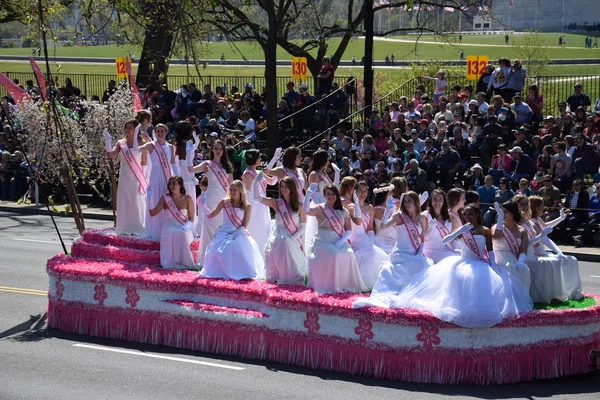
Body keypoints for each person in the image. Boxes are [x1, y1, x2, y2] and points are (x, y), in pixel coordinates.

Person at [382, 204, 531, 328]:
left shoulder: (484, 230)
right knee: (462, 279)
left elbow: (490, 251)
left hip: (480, 263)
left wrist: (493, 266)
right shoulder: (462, 230)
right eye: (465, 215)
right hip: (463, 262)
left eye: (471, 214)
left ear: (477, 215)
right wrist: (459, 231)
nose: (468, 217)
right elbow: (445, 240)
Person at [353, 191, 433, 308]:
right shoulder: (399, 216)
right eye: (405, 201)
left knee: (423, 266)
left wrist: (420, 253)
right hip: (400, 254)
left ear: (416, 202)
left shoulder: (422, 218)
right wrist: (387, 210)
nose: (407, 204)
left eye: (410, 201)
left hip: (415, 254)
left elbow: (422, 238)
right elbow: (383, 226)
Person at [517, 195, 582, 303]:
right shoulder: (521, 223)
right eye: (522, 205)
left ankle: (573, 292)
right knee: (549, 264)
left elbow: (545, 232)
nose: (524, 207)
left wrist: (559, 251)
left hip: (537, 252)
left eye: (526, 204)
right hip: (530, 255)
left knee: (572, 259)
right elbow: (540, 238)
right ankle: (552, 296)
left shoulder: (531, 222)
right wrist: (541, 236)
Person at [303, 183, 366, 294]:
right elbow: (306, 210)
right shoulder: (319, 208)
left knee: (349, 254)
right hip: (322, 240)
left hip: (339, 240)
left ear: (337, 195)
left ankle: (345, 284)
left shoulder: (343, 210)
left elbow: (348, 229)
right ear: (324, 195)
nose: (331, 196)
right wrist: (308, 195)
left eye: (333, 194)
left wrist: (342, 240)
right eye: (328, 194)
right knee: (334, 254)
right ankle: (331, 285)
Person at [198, 180, 264, 280]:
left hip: (238, 232)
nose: (232, 192)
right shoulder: (224, 202)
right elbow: (211, 215)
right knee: (216, 249)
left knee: (238, 246)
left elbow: (244, 225)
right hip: (224, 231)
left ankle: (240, 272)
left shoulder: (247, 206)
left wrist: (234, 234)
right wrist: (203, 205)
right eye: (231, 189)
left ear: (241, 191)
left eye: (235, 190)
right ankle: (219, 272)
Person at [253, 174, 307, 285]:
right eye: (282, 186)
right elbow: (257, 197)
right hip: (277, 237)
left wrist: (292, 238)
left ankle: (290, 277)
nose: (284, 189)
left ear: (291, 188)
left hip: (293, 238)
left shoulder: (299, 206)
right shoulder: (276, 203)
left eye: (286, 187)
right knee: (282, 241)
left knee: (285, 242)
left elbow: (303, 226)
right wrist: (256, 183)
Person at [192, 139, 234, 266]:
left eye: (220, 149)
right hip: (210, 197)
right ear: (212, 150)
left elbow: (231, 185)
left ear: (223, 151)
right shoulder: (207, 164)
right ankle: (208, 257)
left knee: (222, 225)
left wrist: (232, 200)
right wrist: (190, 152)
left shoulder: (228, 166)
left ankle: (222, 256)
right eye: (216, 148)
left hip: (224, 198)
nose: (218, 151)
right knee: (210, 224)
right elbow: (191, 170)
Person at [103, 119, 148, 236]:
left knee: (136, 201)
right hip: (124, 176)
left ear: (135, 129)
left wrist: (145, 180)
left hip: (137, 177)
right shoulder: (121, 143)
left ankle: (138, 228)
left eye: (130, 128)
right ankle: (124, 228)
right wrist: (108, 143)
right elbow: (111, 155)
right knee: (124, 201)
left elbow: (144, 163)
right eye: (126, 127)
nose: (127, 130)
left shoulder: (143, 143)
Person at [138, 123, 176, 239]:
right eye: (158, 131)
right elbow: (135, 149)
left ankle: (166, 229)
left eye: (162, 131)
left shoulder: (170, 147)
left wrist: (178, 178)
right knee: (155, 200)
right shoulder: (151, 145)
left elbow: (173, 164)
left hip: (167, 177)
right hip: (155, 175)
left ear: (166, 132)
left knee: (167, 202)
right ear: (155, 132)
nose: (160, 133)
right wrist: (136, 135)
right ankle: (155, 231)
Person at [347, 181, 388, 290]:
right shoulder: (350, 207)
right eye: (360, 190)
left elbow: (370, 227)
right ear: (355, 192)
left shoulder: (370, 208)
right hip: (354, 239)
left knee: (374, 253)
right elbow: (358, 222)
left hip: (365, 238)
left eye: (365, 191)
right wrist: (356, 204)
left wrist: (371, 239)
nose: (363, 193)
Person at [148, 176, 195, 269]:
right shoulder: (165, 198)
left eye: (174, 183)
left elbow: (191, 218)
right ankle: (169, 262)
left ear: (180, 185)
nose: (171, 186)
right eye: (170, 183)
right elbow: (153, 213)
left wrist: (187, 225)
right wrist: (149, 199)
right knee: (171, 233)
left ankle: (183, 262)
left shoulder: (187, 198)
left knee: (182, 234)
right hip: (168, 227)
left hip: (182, 226)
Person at [241, 149, 277, 256]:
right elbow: (246, 193)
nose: (261, 159)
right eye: (259, 157)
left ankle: (264, 255)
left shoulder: (259, 172)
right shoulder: (247, 174)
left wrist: (278, 170)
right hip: (254, 207)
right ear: (255, 159)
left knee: (264, 229)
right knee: (255, 230)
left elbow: (272, 181)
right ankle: (254, 255)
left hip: (263, 205)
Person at [491, 201, 532, 293]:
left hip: (513, 258)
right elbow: (497, 235)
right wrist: (500, 217)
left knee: (524, 270)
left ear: (513, 213)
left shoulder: (522, 230)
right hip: (498, 259)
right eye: (501, 212)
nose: (503, 214)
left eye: (506, 212)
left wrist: (520, 261)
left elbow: (523, 249)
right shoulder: (495, 227)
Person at [421, 189, 456, 263]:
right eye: (435, 199)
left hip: (445, 250)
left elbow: (452, 237)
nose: (437, 202)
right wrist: (431, 227)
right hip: (429, 252)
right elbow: (423, 238)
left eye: (440, 200)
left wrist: (455, 249)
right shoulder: (425, 215)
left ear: (444, 202)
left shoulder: (449, 217)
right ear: (431, 201)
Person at [373, 183, 397, 253]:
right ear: (385, 195)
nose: (392, 195)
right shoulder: (379, 210)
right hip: (382, 242)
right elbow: (387, 225)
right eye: (390, 193)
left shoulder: (391, 207)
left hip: (392, 240)